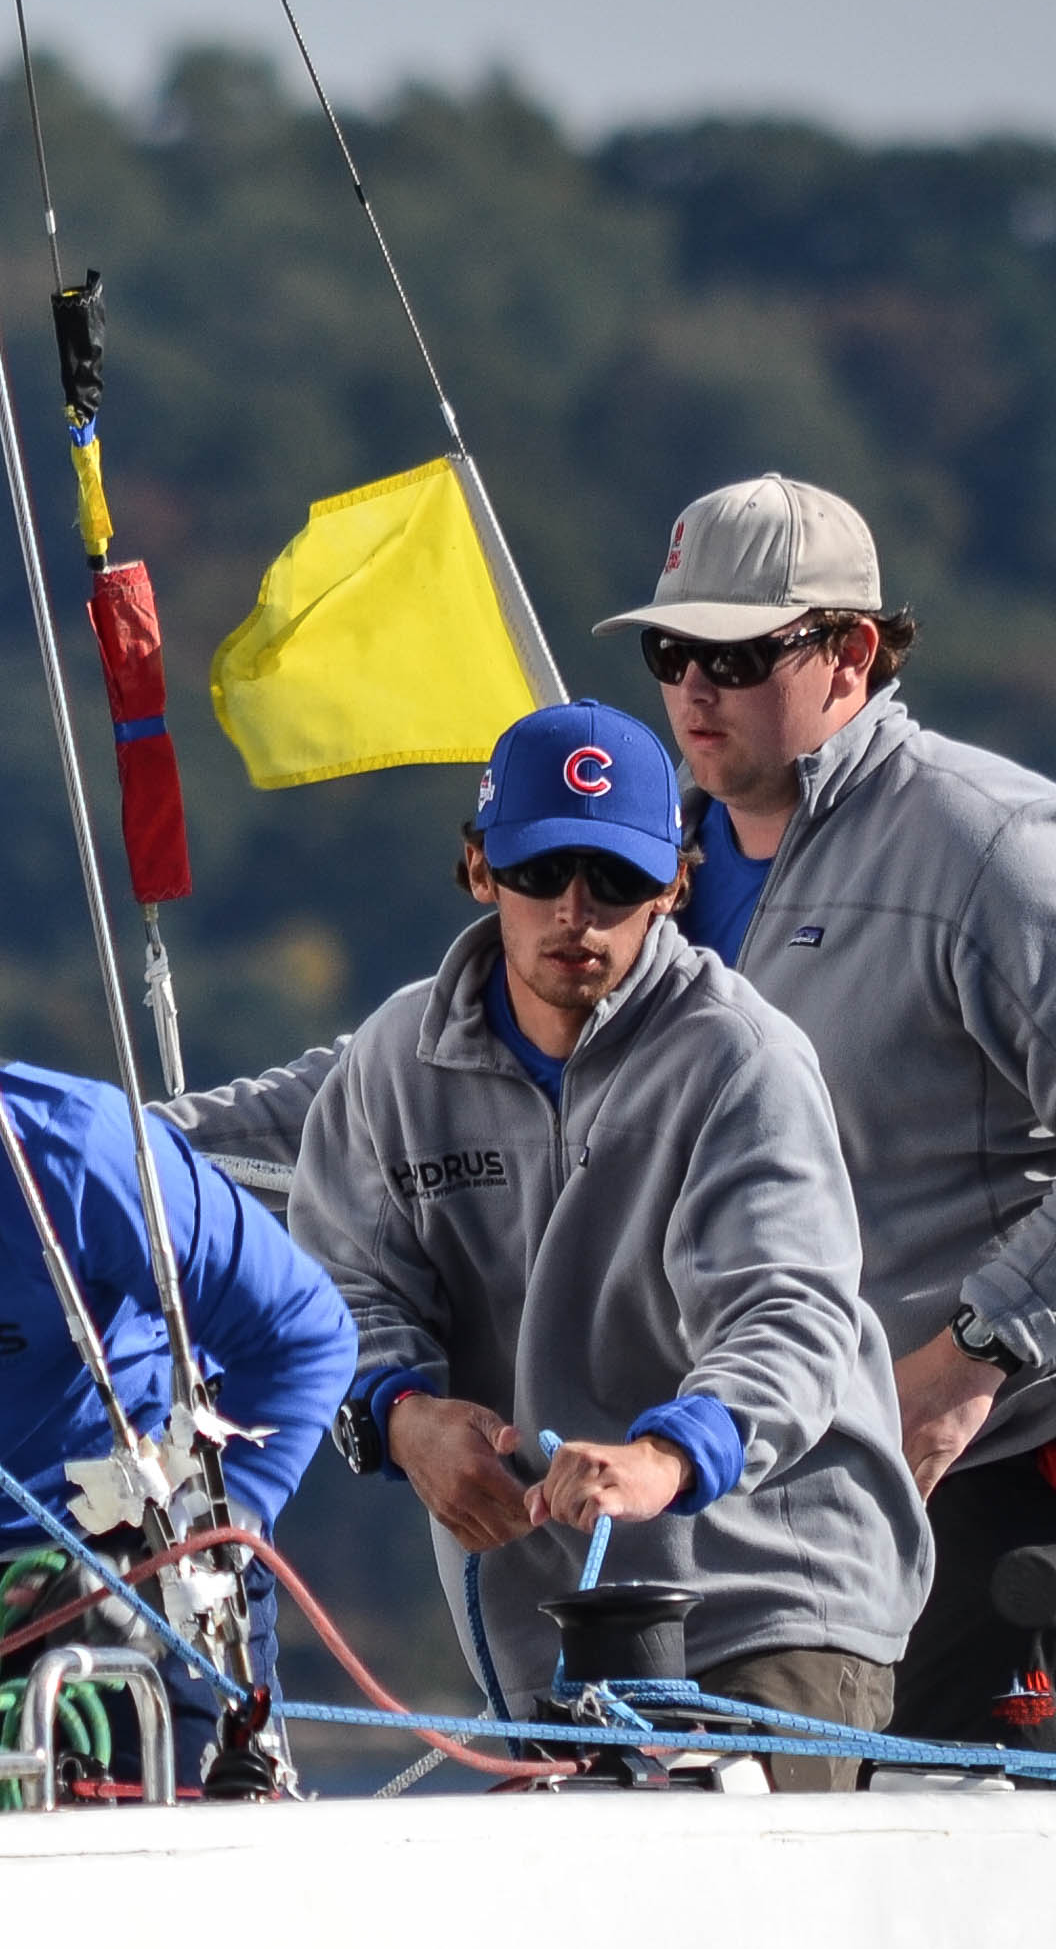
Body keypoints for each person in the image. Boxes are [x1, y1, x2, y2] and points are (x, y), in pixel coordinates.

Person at [601, 472, 1056, 1769]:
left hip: (1027, 1456)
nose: (695, 688)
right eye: (671, 653)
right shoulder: (645, 880)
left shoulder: (991, 843)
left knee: (1006, 1860)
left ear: (851, 654)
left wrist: (962, 1367)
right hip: (815, 1475)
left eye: (737, 654)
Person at [293, 703, 929, 1790]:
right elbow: (337, 1288)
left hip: (774, 1599)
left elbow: (789, 1317)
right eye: (542, 872)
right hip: (547, 1628)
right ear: (480, 868)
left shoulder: (742, 1060)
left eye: (616, 879)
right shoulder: (392, 1061)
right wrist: (401, 1417)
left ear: (675, 884)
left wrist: (665, 1459)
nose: (575, 912)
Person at [0, 970, 354, 1789]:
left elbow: (303, 1332)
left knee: (186, 1834)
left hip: (125, 1561)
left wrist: (197, 1544)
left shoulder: (68, 1152)